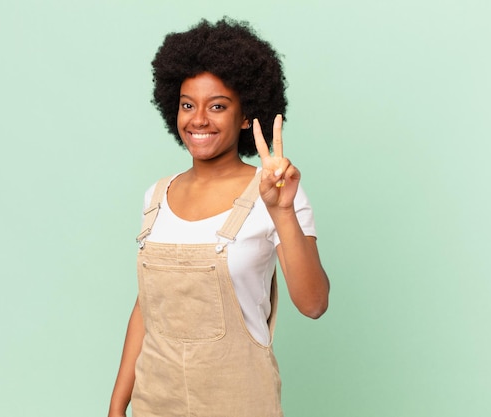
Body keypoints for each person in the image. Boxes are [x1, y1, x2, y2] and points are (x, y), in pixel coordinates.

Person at [107, 17, 329, 417]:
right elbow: (147, 309)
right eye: (188, 104)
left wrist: (282, 212)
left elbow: (313, 303)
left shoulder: (275, 193)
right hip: (155, 404)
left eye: (218, 106)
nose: (199, 120)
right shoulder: (156, 196)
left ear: (247, 116)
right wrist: (117, 405)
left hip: (241, 403)